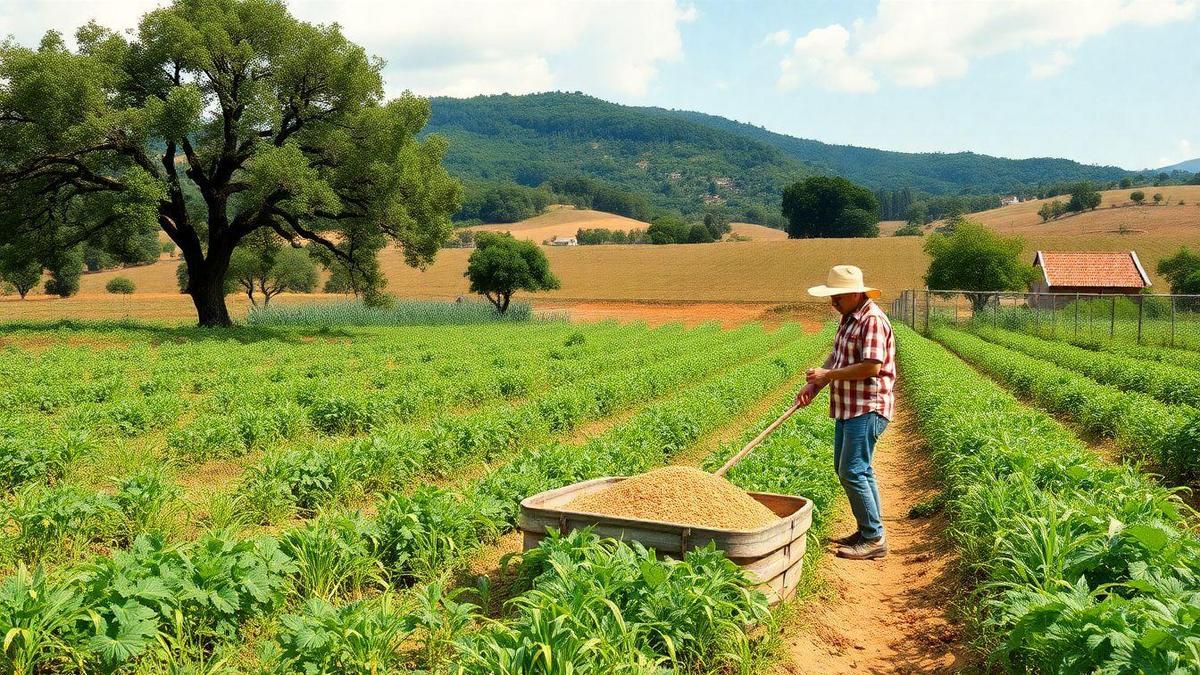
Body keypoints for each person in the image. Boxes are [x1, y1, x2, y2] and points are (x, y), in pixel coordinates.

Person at [795, 265, 895, 560]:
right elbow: (837, 357)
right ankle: (868, 530)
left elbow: (871, 367)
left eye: (837, 296)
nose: (833, 302)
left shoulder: (872, 320)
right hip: (849, 407)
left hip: (867, 407)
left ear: (854, 293)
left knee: (852, 471)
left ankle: (874, 538)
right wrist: (815, 384)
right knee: (854, 470)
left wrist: (827, 374)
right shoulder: (849, 317)